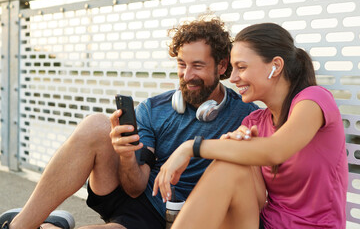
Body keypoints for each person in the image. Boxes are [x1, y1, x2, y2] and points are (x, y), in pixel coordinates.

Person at [0, 17, 258, 229]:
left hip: (179, 217)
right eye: (181, 64)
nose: (187, 75)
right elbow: (134, 188)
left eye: (198, 66)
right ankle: (19, 226)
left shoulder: (246, 116)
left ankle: (52, 225)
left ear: (222, 65)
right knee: (96, 124)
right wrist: (125, 155)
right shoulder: (154, 108)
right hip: (137, 196)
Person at [153, 22, 348, 229]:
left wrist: (191, 147)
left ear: (276, 66)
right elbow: (256, 199)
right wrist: (237, 152)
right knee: (229, 164)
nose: (233, 78)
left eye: (242, 67)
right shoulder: (254, 122)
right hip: (263, 224)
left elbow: (276, 150)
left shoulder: (314, 100)